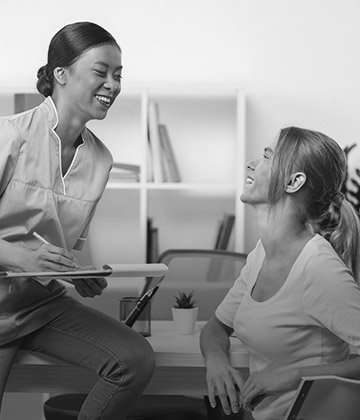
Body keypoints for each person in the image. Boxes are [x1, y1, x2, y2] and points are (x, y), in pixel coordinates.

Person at [0, 22, 154, 419]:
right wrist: (23, 260)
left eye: (118, 75)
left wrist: (78, 273)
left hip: (42, 305)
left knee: (133, 358)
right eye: (101, 72)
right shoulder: (8, 137)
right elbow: (29, 254)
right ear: (60, 74)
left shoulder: (101, 160)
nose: (113, 85)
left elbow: (59, 245)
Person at [200, 126, 360, 420]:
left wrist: (296, 374)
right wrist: (216, 360)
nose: (251, 164)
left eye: (267, 157)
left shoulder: (318, 267)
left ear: (293, 181)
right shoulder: (261, 254)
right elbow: (216, 327)